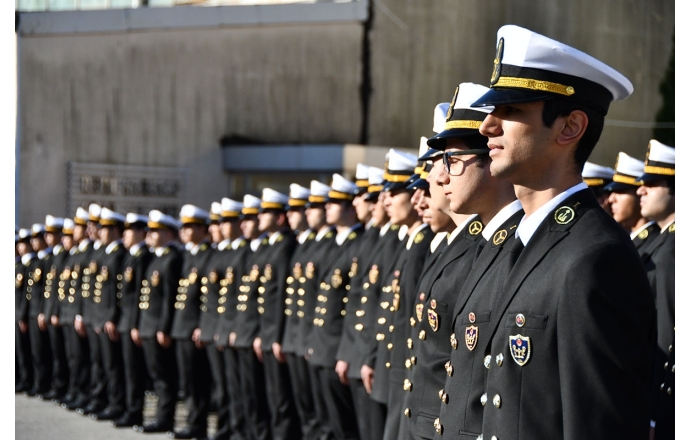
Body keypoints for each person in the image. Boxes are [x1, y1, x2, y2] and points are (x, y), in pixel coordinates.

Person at [469, 24, 655, 439]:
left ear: (569, 128)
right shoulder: (517, 243)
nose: (487, 126)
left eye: (511, 111)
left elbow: (600, 425)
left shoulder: (593, 257)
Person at [307, 173, 364, 440]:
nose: (327, 207)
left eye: (335, 203)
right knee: (324, 418)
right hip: (322, 343)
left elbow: (355, 305)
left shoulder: (358, 244)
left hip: (337, 345)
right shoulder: (330, 244)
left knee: (343, 425)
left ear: (350, 207)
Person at [635, 139, 675, 440]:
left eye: (653, 182)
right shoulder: (662, 241)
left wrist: (656, 407)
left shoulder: (673, 248)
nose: (640, 190)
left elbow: (668, 334)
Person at [256, 188, 301, 440]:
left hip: (276, 333)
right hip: (267, 331)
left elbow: (282, 294)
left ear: (280, 218)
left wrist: (276, 336)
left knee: (280, 397)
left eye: (266, 212)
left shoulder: (285, 247)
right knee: (272, 395)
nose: (260, 217)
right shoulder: (272, 246)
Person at [133, 210, 183, 434]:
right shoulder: (158, 257)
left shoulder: (172, 259)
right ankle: (161, 416)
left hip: (157, 327)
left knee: (164, 377)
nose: (150, 235)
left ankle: (165, 418)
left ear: (168, 233)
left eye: (155, 231)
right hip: (148, 324)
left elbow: (169, 298)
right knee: (157, 376)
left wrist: (163, 327)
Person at [169, 204, 214, 439]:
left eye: (189, 227)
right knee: (187, 378)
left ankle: (199, 423)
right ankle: (191, 419)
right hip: (181, 325)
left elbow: (208, 297)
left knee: (198, 379)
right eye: (183, 227)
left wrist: (201, 324)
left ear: (201, 229)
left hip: (195, 327)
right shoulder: (189, 254)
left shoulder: (208, 255)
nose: (184, 231)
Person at [111, 213, 152, 428]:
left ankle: (135, 411)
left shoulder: (144, 256)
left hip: (133, 322)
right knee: (128, 369)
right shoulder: (131, 255)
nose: (124, 235)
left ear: (139, 233)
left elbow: (138, 295)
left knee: (135, 371)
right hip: (125, 321)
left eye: (128, 231)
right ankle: (129, 408)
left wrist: (135, 323)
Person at [604, 151, 660, 257]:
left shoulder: (658, 243)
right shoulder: (627, 240)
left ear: (640, 193)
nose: (611, 199)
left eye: (620, 191)